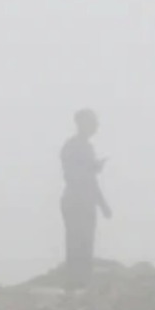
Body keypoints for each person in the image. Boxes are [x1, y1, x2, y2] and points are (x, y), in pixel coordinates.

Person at [59, 108, 110, 287]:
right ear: (82, 123)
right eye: (92, 122)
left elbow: (89, 178)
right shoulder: (72, 146)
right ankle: (74, 285)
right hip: (76, 200)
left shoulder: (86, 147)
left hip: (85, 201)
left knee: (85, 243)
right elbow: (76, 176)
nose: (96, 126)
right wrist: (92, 168)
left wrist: (102, 205)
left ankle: (82, 285)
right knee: (76, 243)